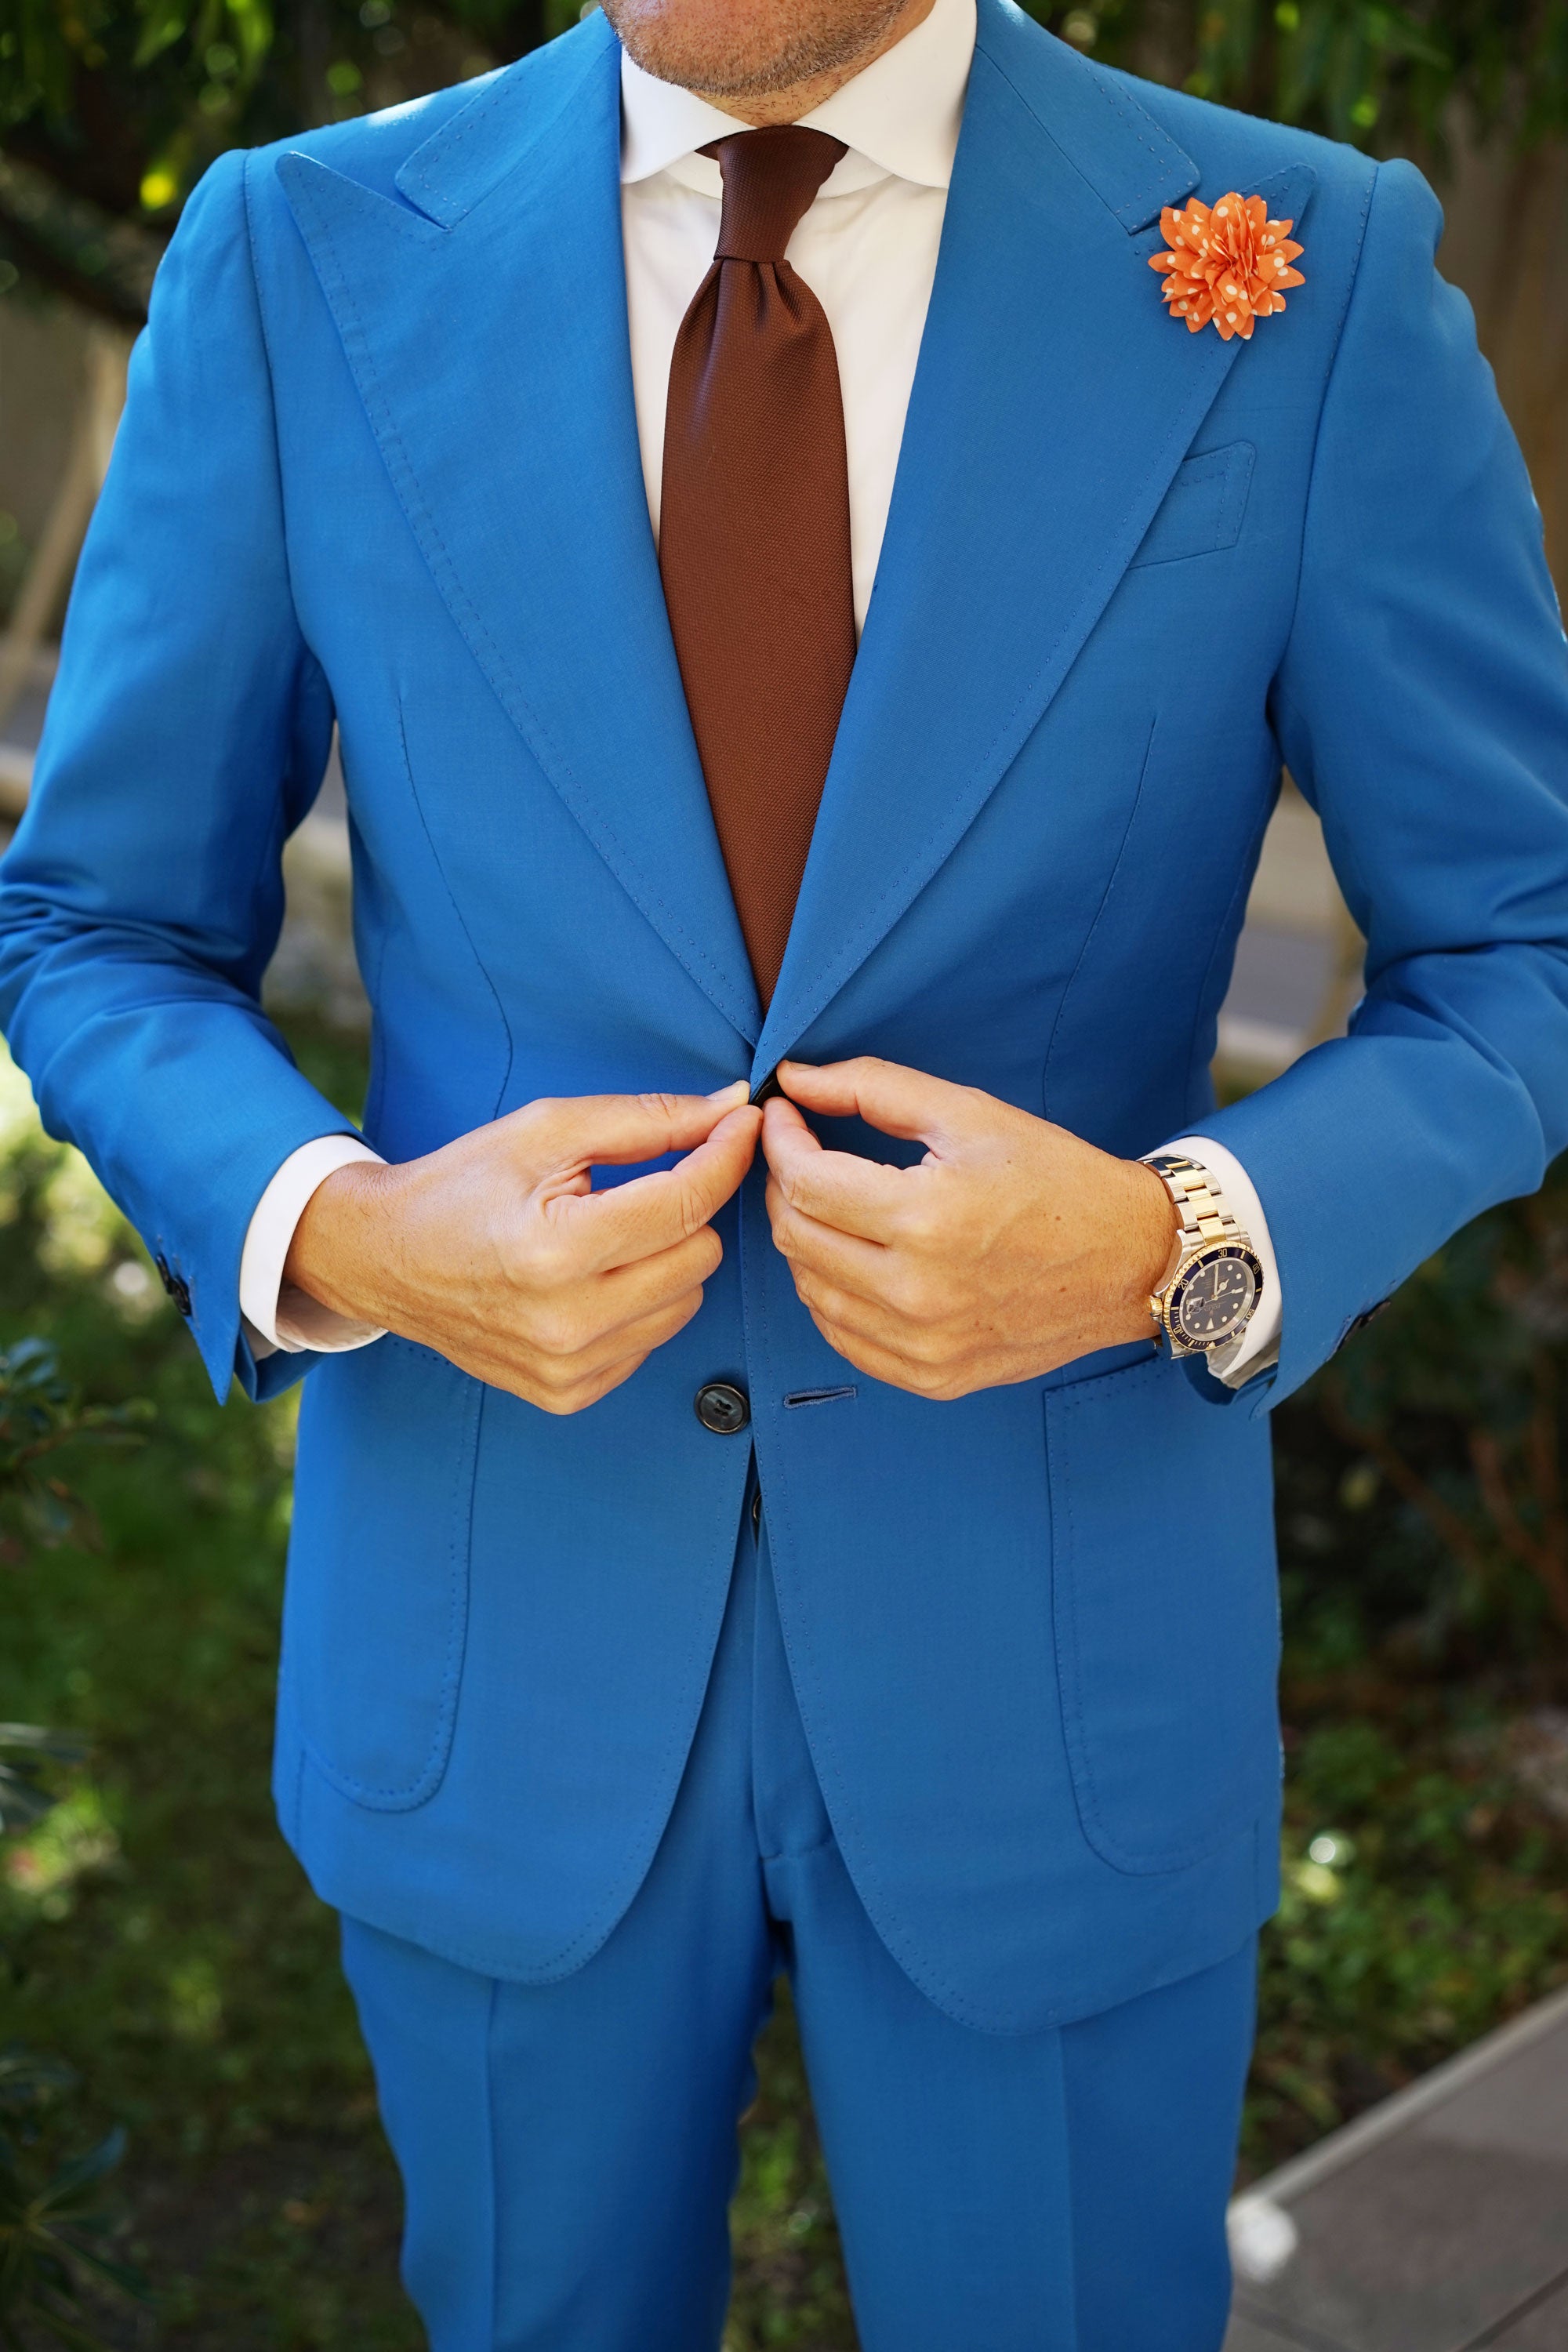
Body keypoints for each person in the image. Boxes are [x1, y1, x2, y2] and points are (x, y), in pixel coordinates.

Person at [3, 0, 1568, 2338]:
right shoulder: (295, 251)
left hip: (1055, 1670)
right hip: (491, 1650)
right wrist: (347, 1236)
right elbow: (102, 922)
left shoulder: (1305, 267)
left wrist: (1178, 1240)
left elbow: (1519, 950)